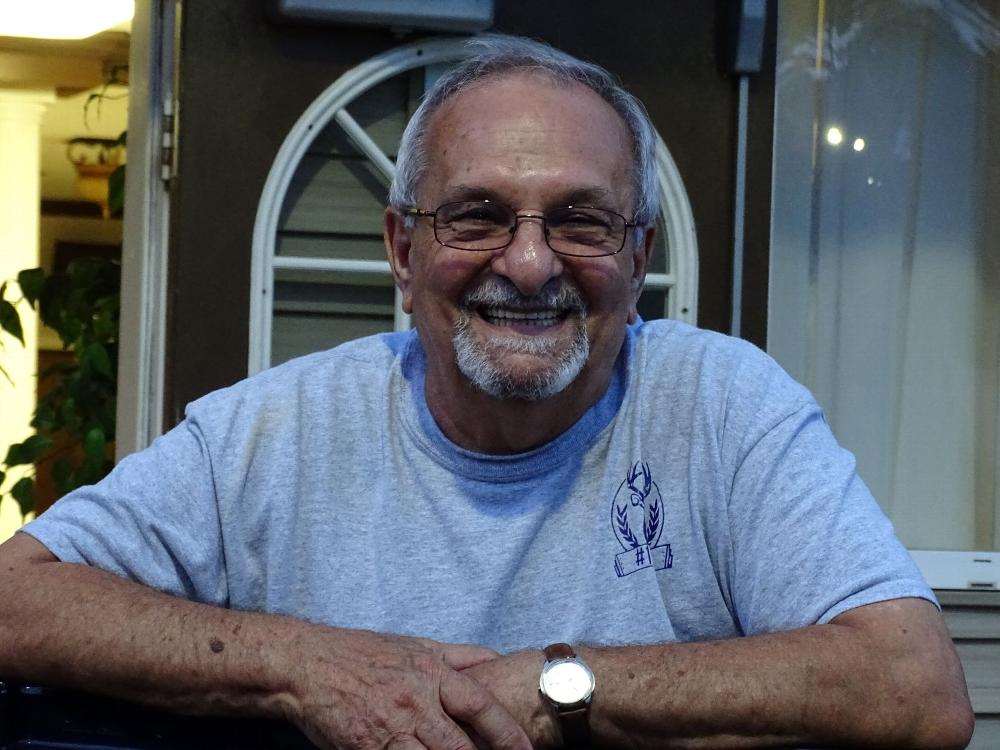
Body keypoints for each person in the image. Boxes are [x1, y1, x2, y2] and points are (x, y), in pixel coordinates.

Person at [0, 34, 973, 750]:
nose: (528, 262)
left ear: (638, 258)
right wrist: (311, 665)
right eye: (476, 216)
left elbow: (913, 686)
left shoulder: (722, 403)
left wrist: (562, 685)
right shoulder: (272, 431)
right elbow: (15, 599)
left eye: (582, 222)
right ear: (400, 250)